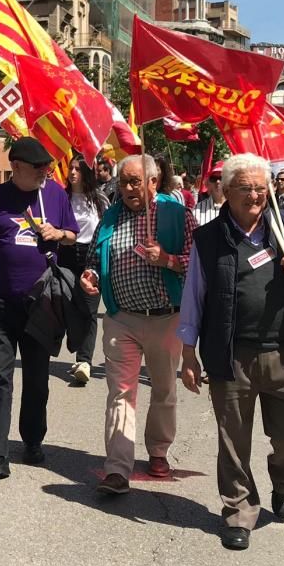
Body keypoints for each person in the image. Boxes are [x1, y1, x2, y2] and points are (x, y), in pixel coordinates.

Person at [177, 153, 284, 551]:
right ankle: (239, 511)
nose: (256, 195)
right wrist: (188, 353)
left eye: (261, 188)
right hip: (231, 355)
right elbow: (194, 298)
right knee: (233, 441)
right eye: (246, 188)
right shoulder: (208, 239)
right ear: (226, 192)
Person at [81, 154, 197, 494]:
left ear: (153, 182)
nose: (128, 188)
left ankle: (158, 451)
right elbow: (94, 255)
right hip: (122, 319)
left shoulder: (178, 214)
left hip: (166, 318)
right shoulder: (112, 216)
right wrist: (90, 275)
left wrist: (169, 260)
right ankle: (117, 468)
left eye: (135, 181)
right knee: (120, 393)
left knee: (163, 390)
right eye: (124, 182)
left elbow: (198, 265)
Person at [0, 137, 78, 481]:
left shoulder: (55, 194)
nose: (46, 171)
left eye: (46, 165)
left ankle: (32, 439)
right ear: (15, 168)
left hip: (40, 303)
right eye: (38, 167)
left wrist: (57, 232)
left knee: (36, 379)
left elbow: (74, 235)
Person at [58, 156, 108, 385]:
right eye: (71, 167)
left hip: (91, 256)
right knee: (67, 305)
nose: (73, 172)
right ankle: (75, 341)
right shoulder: (61, 197)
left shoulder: (99, 200)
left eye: (78, 168)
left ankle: (84, 361)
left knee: (89, 309)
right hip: (66, 254)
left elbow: (107, 229)